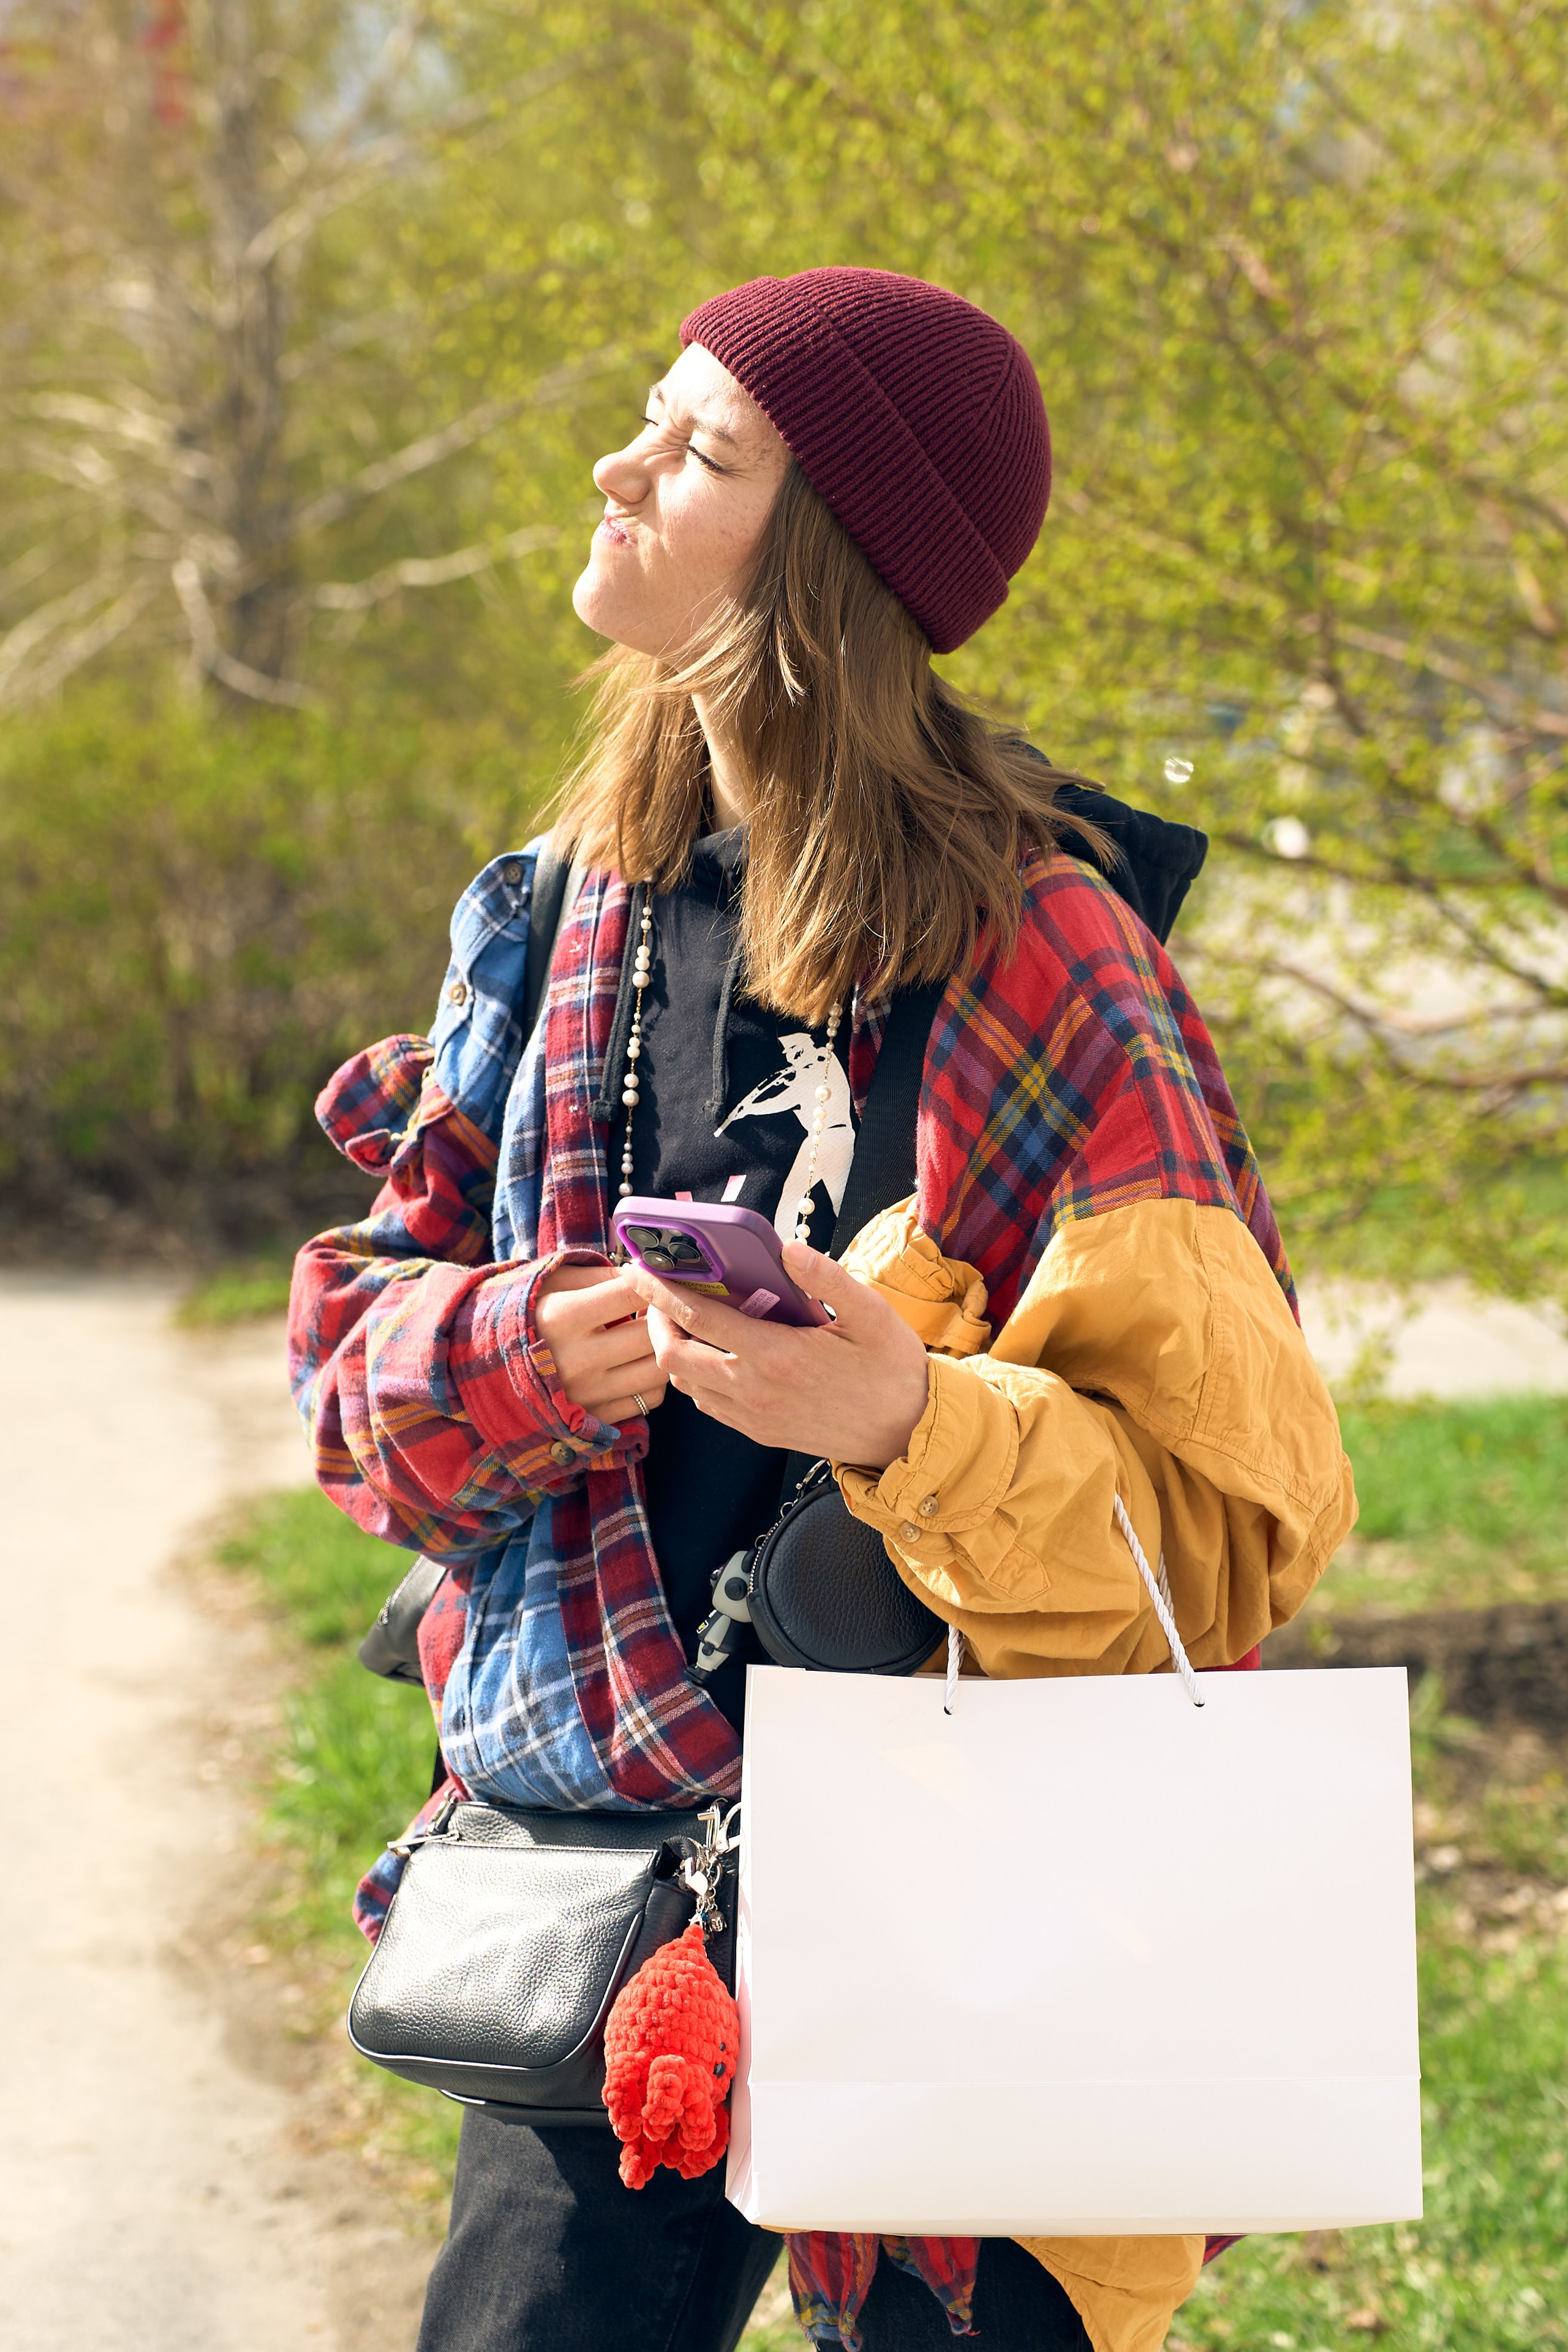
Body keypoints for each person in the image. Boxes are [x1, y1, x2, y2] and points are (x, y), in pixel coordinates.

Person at [290, 267, 1355, 2352]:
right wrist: (519, 1350)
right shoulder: (548, 914)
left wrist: (910, 1420)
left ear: (829, 562)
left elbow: (1232, 1524)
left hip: (1001, 1890)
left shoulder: (1053, 955)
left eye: (696, 451)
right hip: (603, 1882)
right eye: (649, 419)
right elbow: (348, 1392)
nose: (618, 466)